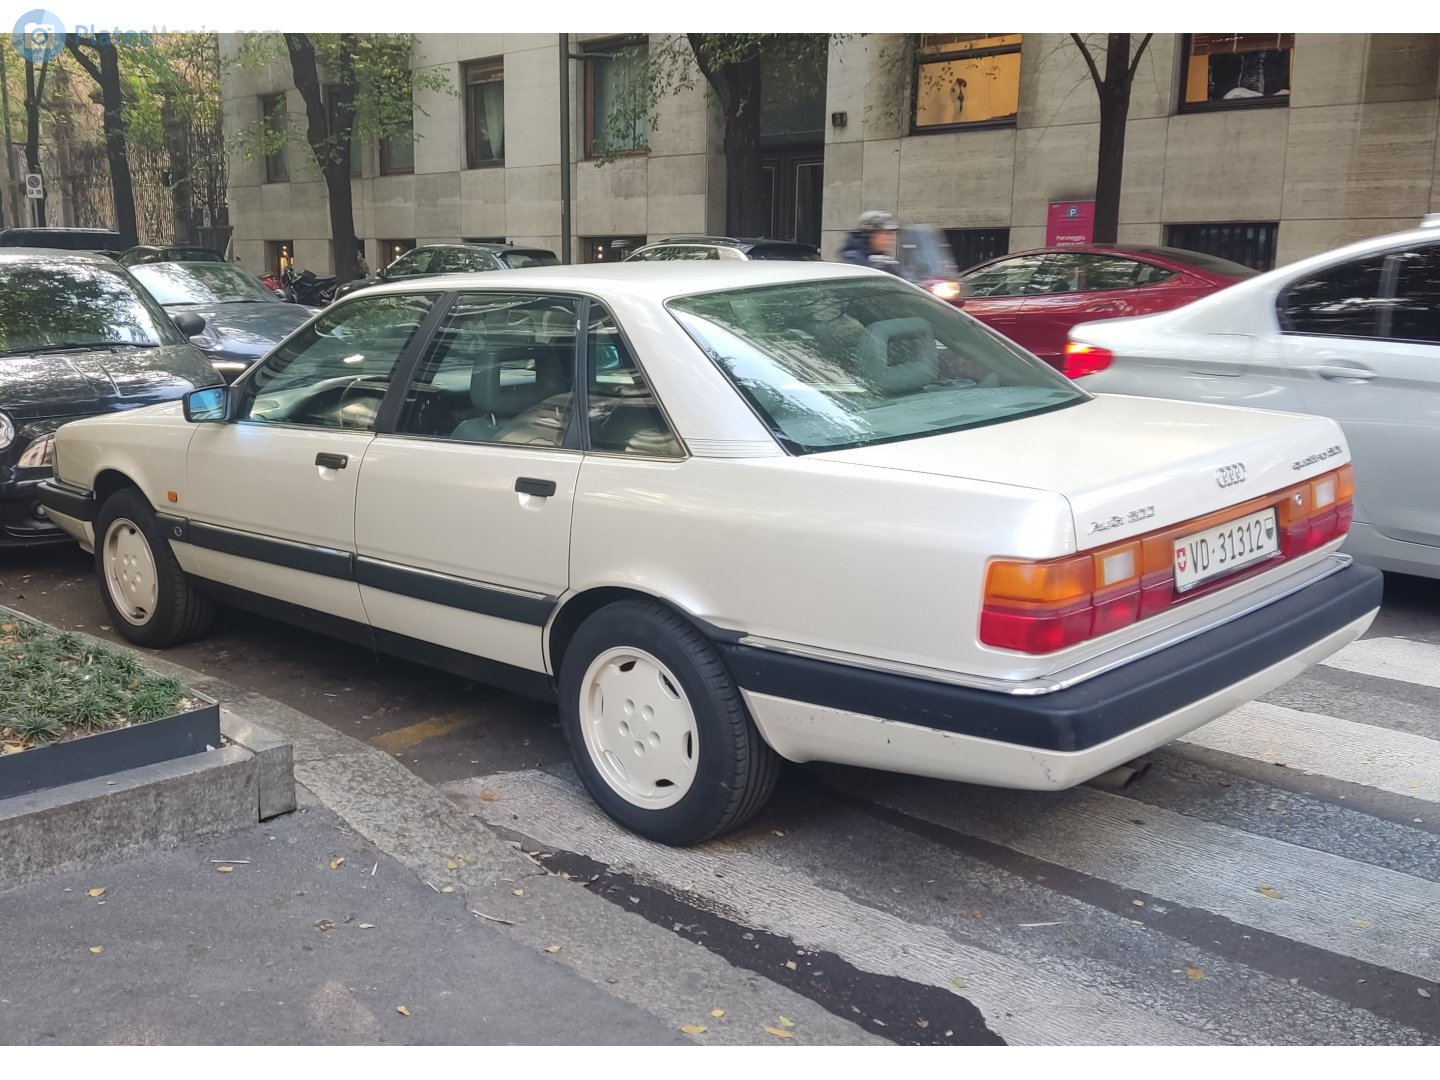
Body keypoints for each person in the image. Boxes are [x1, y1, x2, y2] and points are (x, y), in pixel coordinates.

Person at [838, 210, 902, 275]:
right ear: (870, 234)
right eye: (886, 233)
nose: (891, 238)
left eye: (892, 234)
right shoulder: (854, 261)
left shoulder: (880, 258)